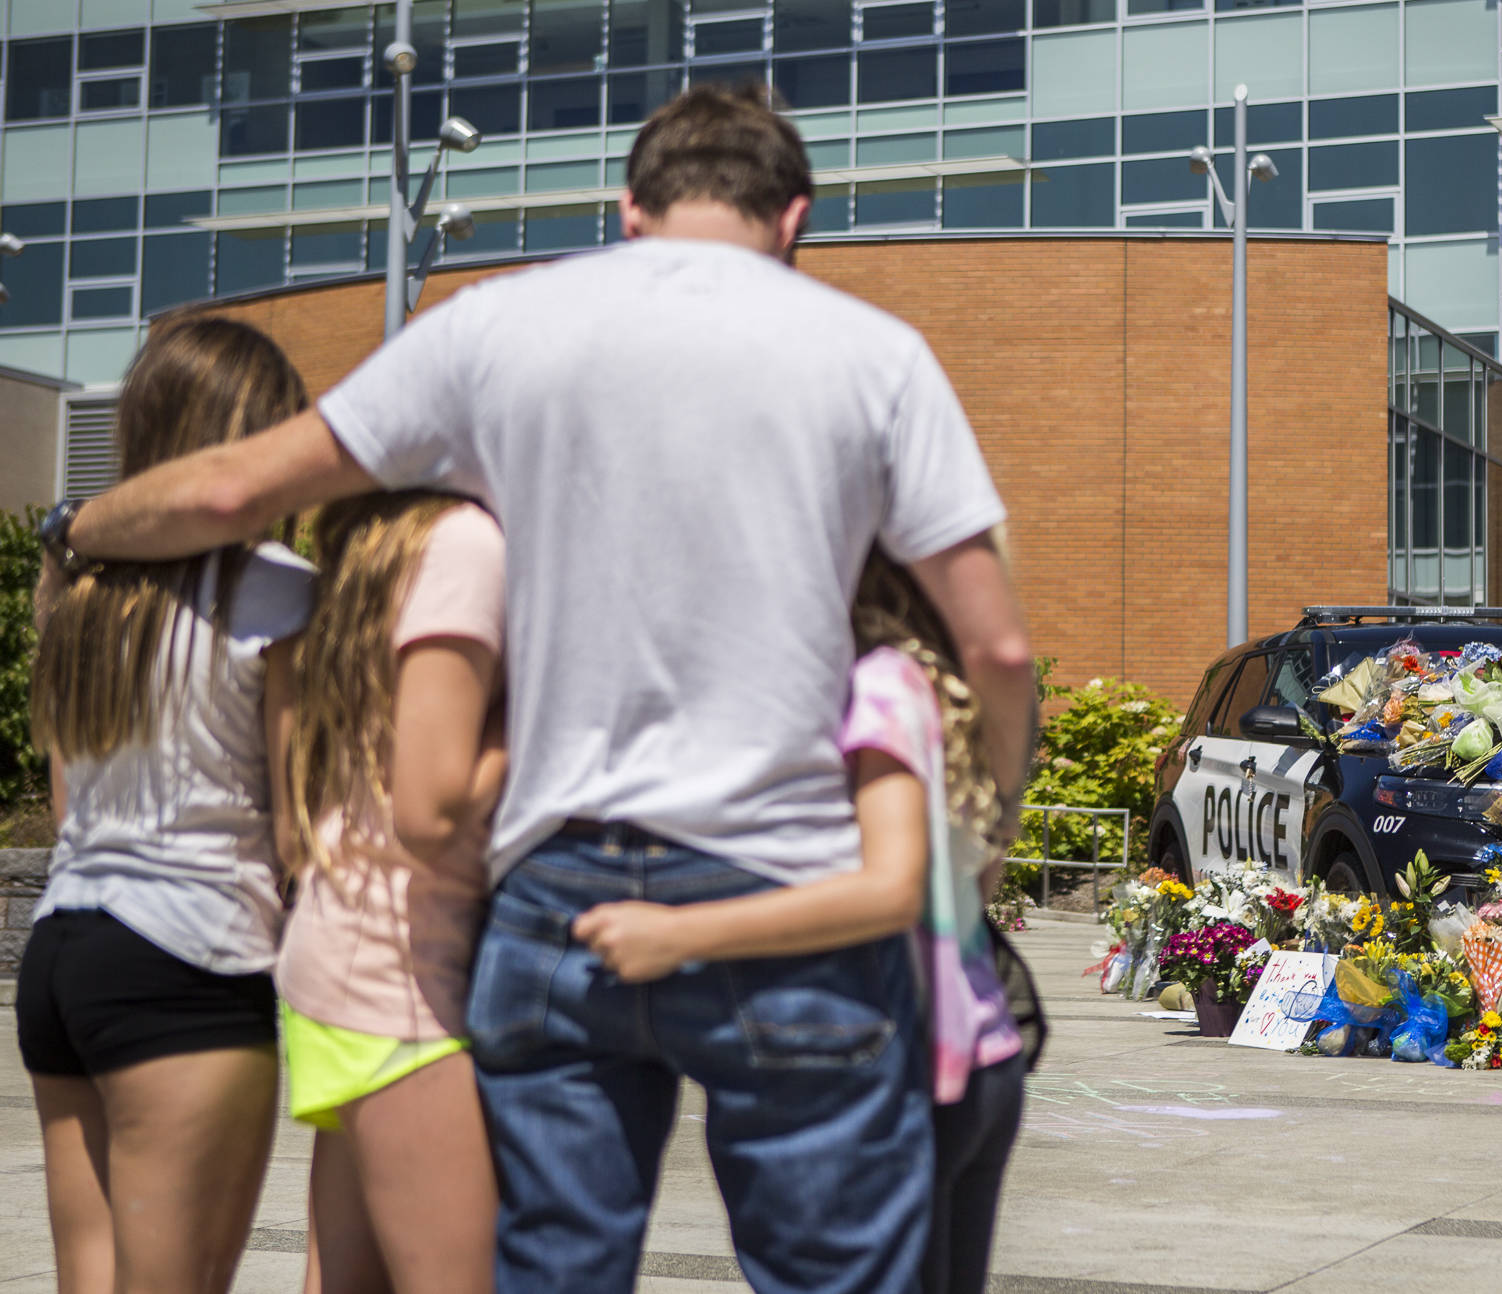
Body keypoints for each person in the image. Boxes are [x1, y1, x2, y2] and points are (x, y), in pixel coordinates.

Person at [44, 83, 1037, 1294]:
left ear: (628, 209)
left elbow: (226, 496)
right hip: (784, 881)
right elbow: (992, 649)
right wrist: (986, 829)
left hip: (555, 895)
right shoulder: (875, 355)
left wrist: (75, 525)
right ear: (794, 219)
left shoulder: (494, 328)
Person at [575, 547, 1028, 1293]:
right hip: (983, 1054)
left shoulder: (873, 689)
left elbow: (892, 891)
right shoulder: (934, 692)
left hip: (918, 1067)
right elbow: (975, 880)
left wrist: (676, 935)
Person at [17, 316, 314, 1294]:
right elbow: (294, 822)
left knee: (90, 1278)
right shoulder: (276, 593)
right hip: (187, 953)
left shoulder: (81, 589)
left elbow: (65, 806)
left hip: (63, 949)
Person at [273, 492, 506, 1294]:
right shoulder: (466, 544)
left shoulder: (380, 543)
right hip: (400, 982)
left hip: (344, 953)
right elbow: (431, 812)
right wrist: (535, 734)